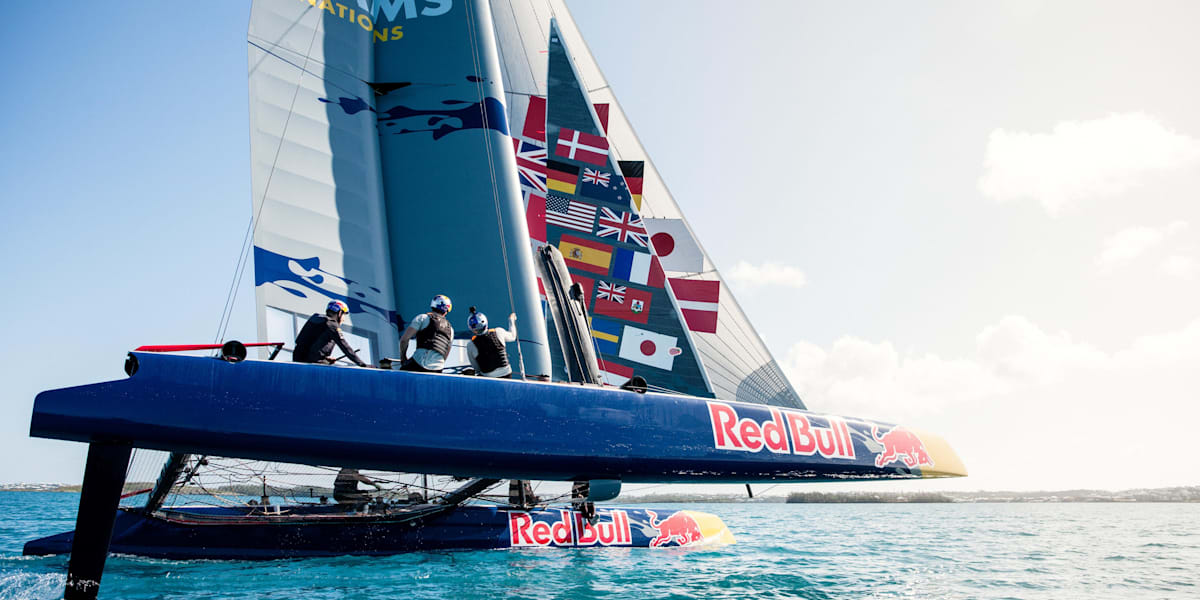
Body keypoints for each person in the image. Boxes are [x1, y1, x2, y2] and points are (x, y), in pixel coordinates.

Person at [292, 300, 370, 367]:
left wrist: (324, 359)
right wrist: (363, 365)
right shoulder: (331, 324)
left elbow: (309, 343)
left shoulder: (315, 319)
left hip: (297, 361)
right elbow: (345, 347)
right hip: (312, 365)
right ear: (340, 313)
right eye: (344, 315)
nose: (344, 320)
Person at [398, 294, 454, 373]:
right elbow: (445, 354)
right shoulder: (451, 330)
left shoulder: (422, 318)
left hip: (419, 363)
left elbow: (404, 340)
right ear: (447, 310)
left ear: (433, 305)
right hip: (438, 369)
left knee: (401, 376)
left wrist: (403, 358)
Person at [465, 307, 518, 378]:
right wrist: (511, 320)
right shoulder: (499, 332)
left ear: (471, 328)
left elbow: (477, 368)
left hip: (489, 378)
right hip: (507, 374)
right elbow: (513, 336)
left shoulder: (470, 345)